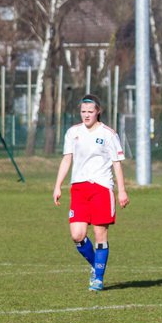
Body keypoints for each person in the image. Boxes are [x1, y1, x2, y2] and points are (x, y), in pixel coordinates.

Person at [53, 93, 129, 291]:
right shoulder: (72, 133)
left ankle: (98, 278)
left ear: (98, 112)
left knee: (99, 233)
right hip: (79, 188)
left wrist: (121, 191)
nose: (86, 115)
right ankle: (97, 266)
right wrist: (57, 185)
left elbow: (117, 165)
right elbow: (67, 159)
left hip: (102, 188)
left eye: (90, 112)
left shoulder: (108, 134)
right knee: (77, 235)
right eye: (83, 111)